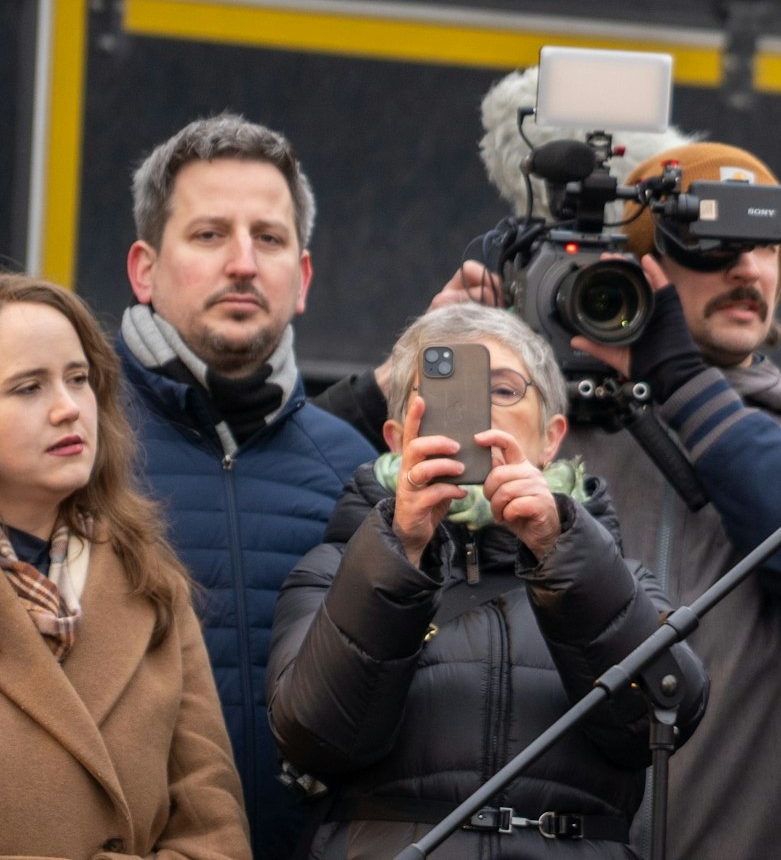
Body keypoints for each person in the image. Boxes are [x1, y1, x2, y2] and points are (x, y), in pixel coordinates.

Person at [313, 105, 781, 859]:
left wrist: (677, 375)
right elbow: (311, 476)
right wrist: (418, 365)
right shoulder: (539, 441)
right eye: (712, 246)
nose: (747, 270)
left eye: (766, 247)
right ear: (638, 267)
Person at [268, 304, 680, 858]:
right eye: (448, 391)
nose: (480, 409)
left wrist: (559, 548)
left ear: (552, 437)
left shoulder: (614, 575)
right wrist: (400, 548)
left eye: (505, 389)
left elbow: (663, 718)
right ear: (397, 437)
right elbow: (314, 737)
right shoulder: (334, 569)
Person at [117, 113, 376, 857]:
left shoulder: (355, 470)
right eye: (208, 235)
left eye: (268, 238)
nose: (242, 263)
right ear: (144, 269)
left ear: (303, 276)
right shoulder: (79, 447)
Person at [0, 274, 250, 859]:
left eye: (78, 379)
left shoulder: (149, 578)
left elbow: (213, 827)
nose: (68, 409)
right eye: (28, 387)